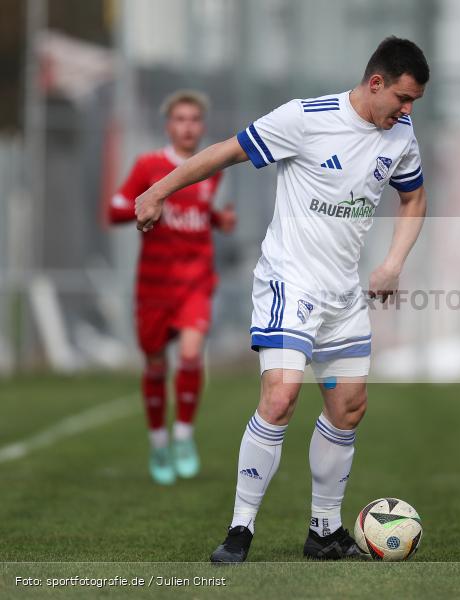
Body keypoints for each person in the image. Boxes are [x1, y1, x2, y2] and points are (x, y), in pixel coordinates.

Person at [134, 37, 429, 562]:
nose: (407, 111)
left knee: (349, 408)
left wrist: (392, 264)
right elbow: (226, 151)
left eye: (414, 103)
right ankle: (240, 529)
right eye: (403, 99)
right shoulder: (304, 118)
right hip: (289, 282)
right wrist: (159, 190)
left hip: (343, 293)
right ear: (375, 83)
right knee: (281, 396)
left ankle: (324, 531)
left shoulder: (401, 134)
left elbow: (414, 197)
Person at [108, 90, 237, 485]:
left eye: (194, 120)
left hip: (196, 280)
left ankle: (182, 436)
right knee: (155, 365)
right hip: (154, 286)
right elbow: (115, 209)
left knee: (191, 354)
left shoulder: (212, 168)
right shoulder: (148, 165)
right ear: (168, 125)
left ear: (202, 125)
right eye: (180, 119)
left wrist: (217, 220)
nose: (188, 127)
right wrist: (146, 205)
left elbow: (204, 212)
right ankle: (158, 442)